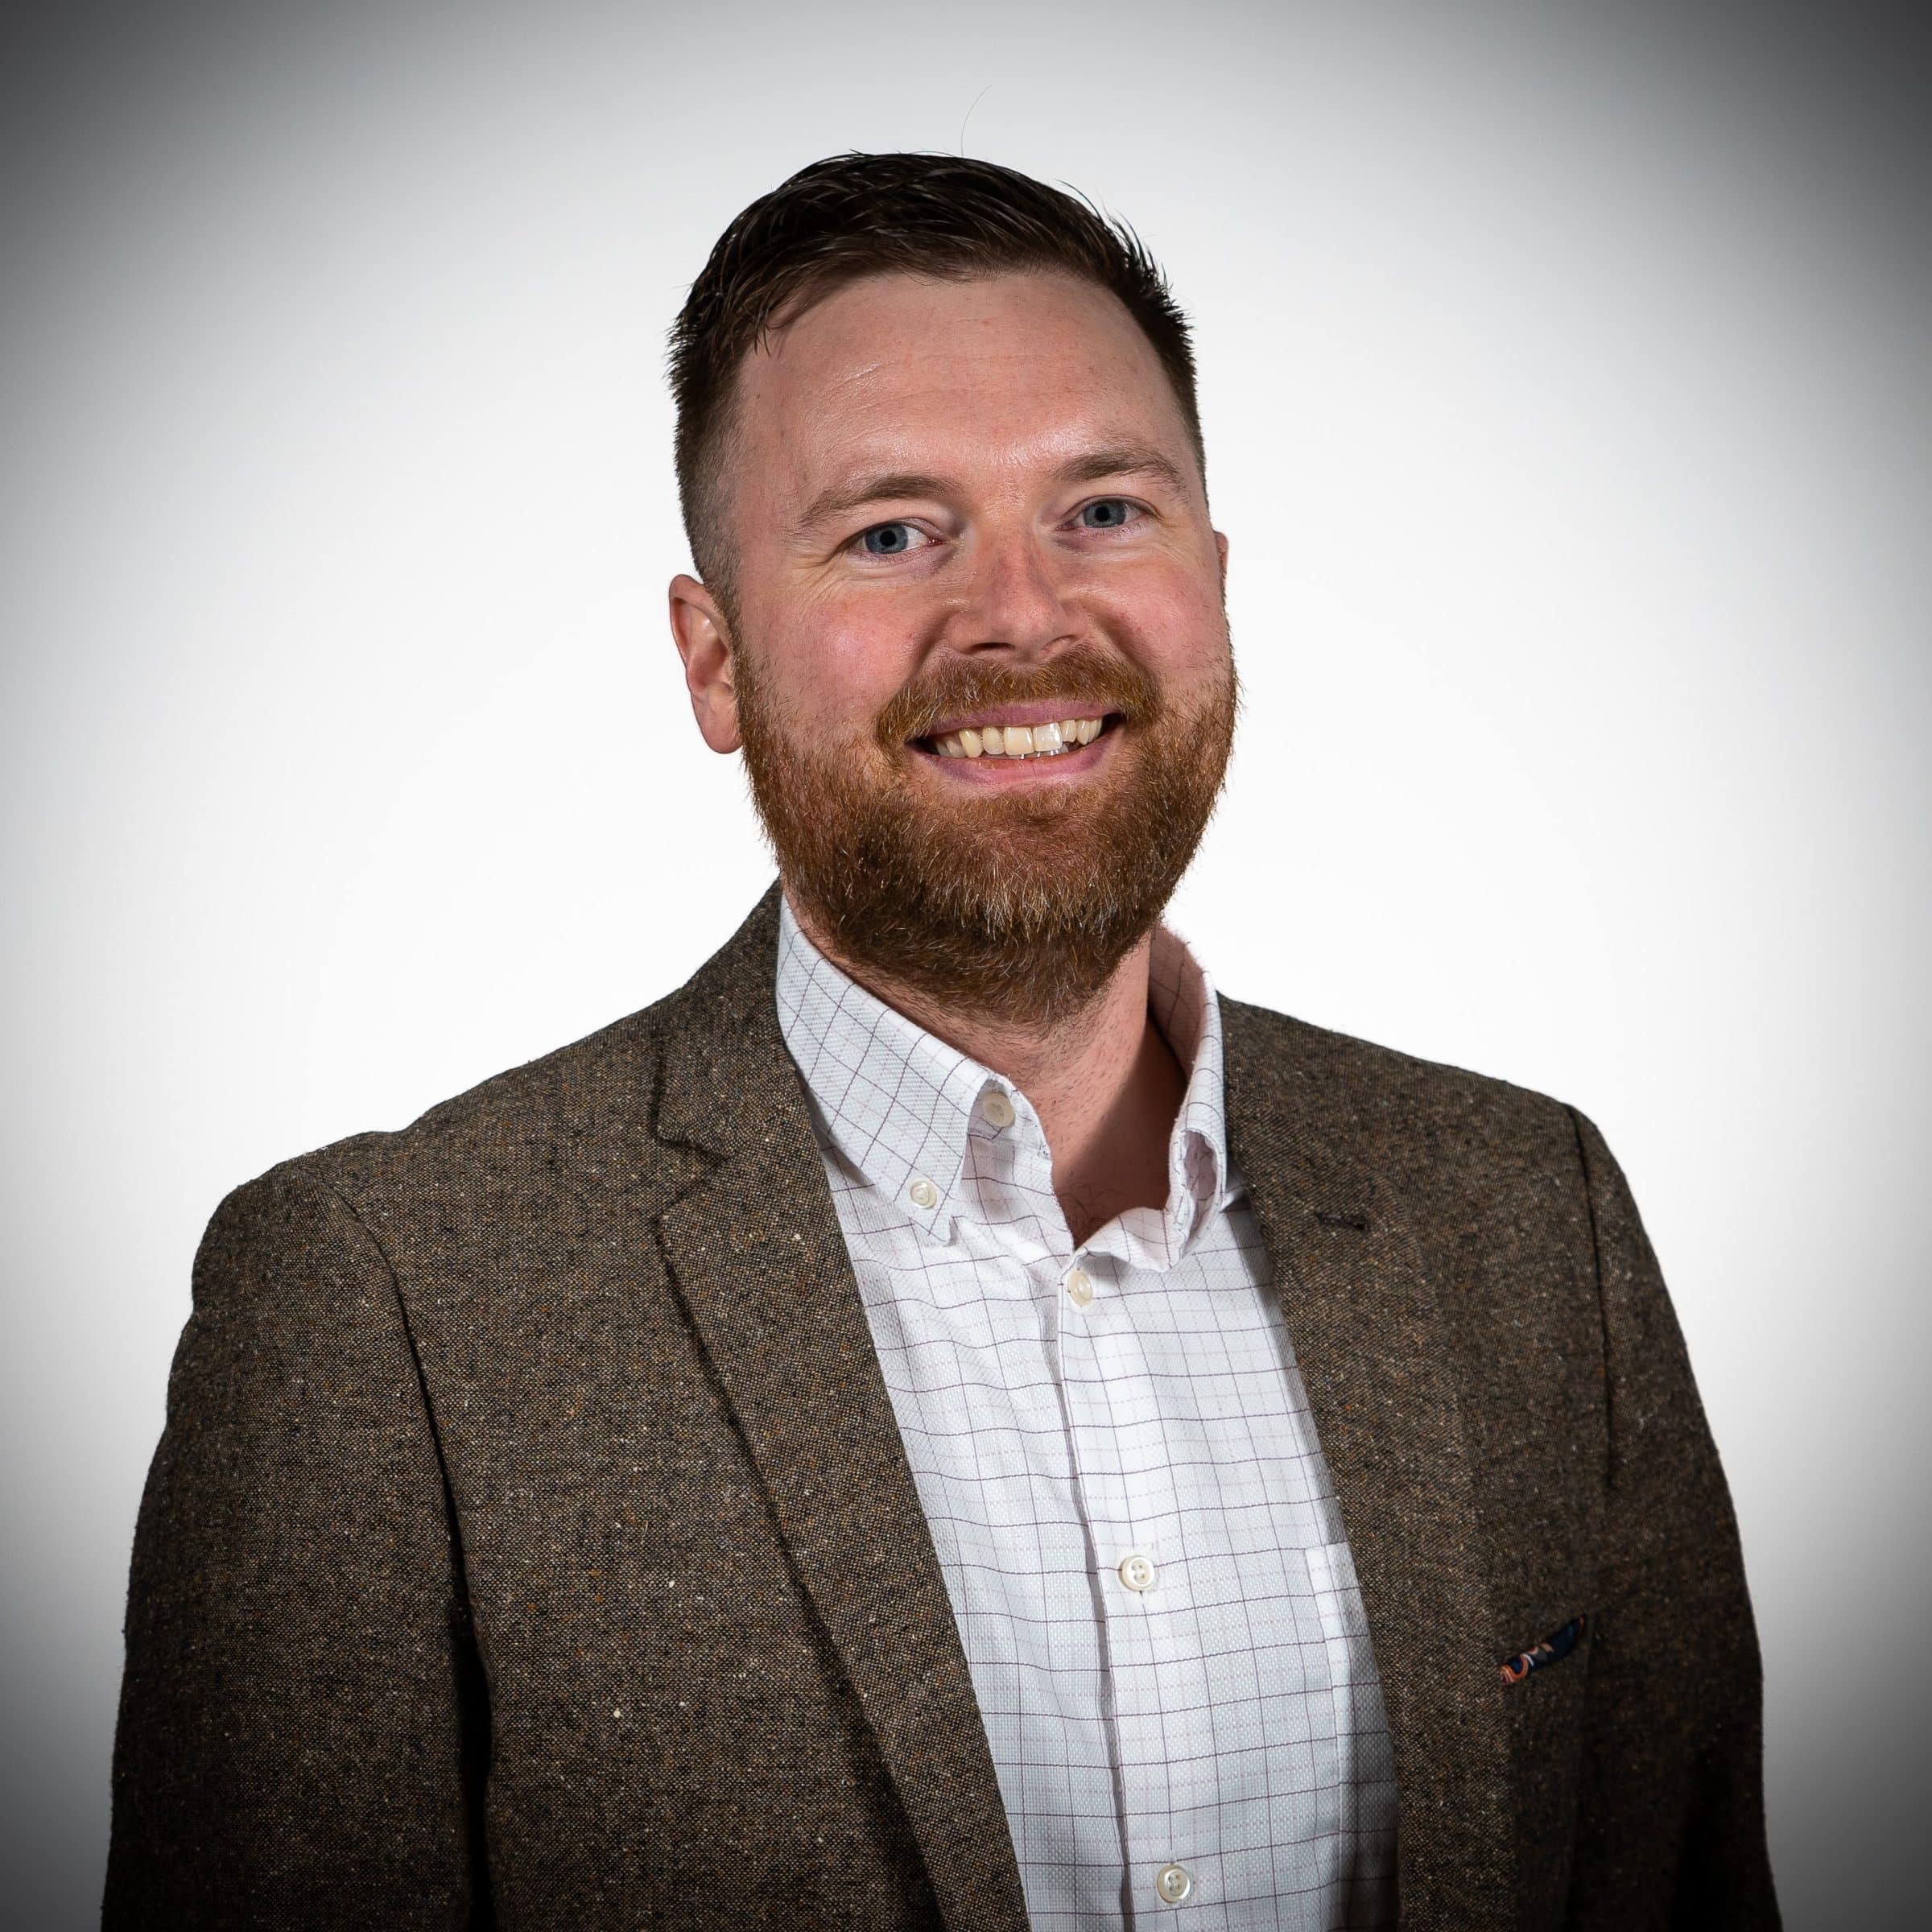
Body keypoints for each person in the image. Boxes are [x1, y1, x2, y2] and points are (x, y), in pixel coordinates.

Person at [104, 152, 1780, 1930]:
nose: (1022, 620)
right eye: (893, 532)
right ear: (715, 660)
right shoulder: (380, 1307)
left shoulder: (1534, 1217)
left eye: (1105, 511)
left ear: (1216, 578)